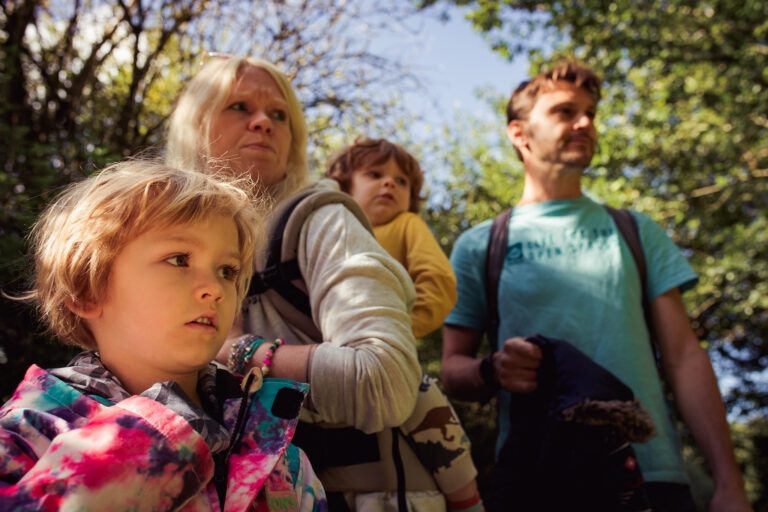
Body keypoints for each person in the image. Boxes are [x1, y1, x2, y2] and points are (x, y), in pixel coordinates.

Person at [441, 61, 752, 512]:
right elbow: (452, 370)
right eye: (565, 112)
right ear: (519, 134)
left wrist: (729, 483)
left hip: (651, 474)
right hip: (535, 477)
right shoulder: (480, 245)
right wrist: (493, 369)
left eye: (590, 112)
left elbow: (685, 357)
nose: (585, 122)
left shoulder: (635, 231)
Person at [166, 55, 439, 511]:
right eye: (239, 107)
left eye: (279, 115)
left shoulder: (321, 220)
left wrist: (237, 350)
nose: (263, 123)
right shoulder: (155, 236)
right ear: (194, 125)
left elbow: (386, 382)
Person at [0, 160, 326, 511]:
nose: (214, 288)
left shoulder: (280, 456)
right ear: (86, 289)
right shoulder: (29, 429)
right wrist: (146, 438)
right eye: (179, 259)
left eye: (227, 270)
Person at [325, 137, 483, 511]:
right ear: (344, 186)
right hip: (334, 359)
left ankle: (468, 498)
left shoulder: (405, 226)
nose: (390, 184)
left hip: (388, 355)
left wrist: (394, 329)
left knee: (431, 416)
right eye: (375, 174)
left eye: (402, 181)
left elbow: (440, 283)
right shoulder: (328, 233)